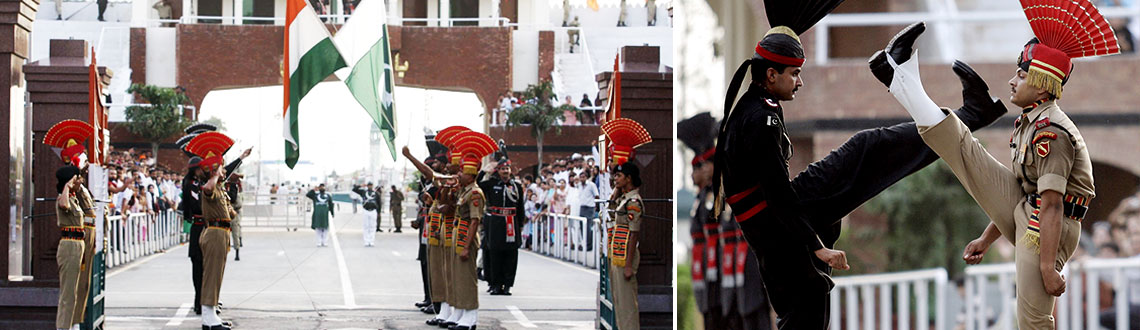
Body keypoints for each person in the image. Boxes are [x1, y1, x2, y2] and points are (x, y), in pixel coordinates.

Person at [713, 1, 1008, 326]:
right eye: (794, 74)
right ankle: (968, 113)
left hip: (781, 226)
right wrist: (817, 246)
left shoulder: (757, 106)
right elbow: (777, 196)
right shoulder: (759, 118)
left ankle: (968, 114)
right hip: (781, 225)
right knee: (870, 149)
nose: (800, 83)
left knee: (872, 149)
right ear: (771, 74)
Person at [872, 4, 1117, 326]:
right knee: (963, 147)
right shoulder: (1029, 122)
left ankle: (902, 79)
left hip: (1046, 229)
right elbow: (1018, 192)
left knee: (1032, 320)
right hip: (1028, 211)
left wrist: (1047, 268)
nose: (1012, 81)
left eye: (1021, 74)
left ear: (1042, 83)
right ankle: (900, 77)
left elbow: (1053, 205)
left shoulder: (1052, 133)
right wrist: (987, 239)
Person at [680, 113, 772, 329]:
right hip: (726, 265)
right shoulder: (712, 195)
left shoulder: (743, 188)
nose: (697, 173)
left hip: (747, 264)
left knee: (751, 317)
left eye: (702, 166)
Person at [178, 124, 248, 319]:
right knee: (200, 268)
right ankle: (202, 302)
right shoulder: (195, 184)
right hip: (202, 227)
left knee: (211, 270)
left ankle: (209, 302)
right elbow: (211, 186)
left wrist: (240, 158)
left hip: (209, 228)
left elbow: (223, 175)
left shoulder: (208, 183)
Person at [405, 126, 467, 328]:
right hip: (441, 233)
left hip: (456, 234)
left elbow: (463, 213)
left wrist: (410, 157)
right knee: (441, 273)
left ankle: (464, 314)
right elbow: (428, 173)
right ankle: (445, 311)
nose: (446, 167)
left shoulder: (461, 185)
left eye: (449, 164)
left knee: (455, 275)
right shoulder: (448, 182)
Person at [600, 118, 652, 330]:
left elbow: (634, 235)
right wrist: (614, 192)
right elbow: (610, 211)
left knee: (628, 307)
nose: (615, 179)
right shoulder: (622, 199)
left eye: (618, 176)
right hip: (617, 255)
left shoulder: (633, 202)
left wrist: (629, 264)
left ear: (629, 178)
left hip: (625, 258)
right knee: (619, 305)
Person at [189, 132, 241, 330]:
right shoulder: (209, 187)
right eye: (221, 166)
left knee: (216, 275)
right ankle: (208, 320)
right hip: (214, 233)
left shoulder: (220, 189)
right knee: (211, 274)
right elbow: (207, 187)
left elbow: (232, 214)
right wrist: (213, 172)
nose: (223, 170)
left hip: (222, 233)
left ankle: (212, 317)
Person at [449, 131, 497, 330]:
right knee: (458, 277)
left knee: (468, 279)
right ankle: (460, 312)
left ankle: (471, 317)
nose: (458, 174)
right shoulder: (465, 190)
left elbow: (475, 221)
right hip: (459, 234)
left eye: (462, 172)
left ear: (470, 174)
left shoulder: (475, 193)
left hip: (467, 237)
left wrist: (467, 246)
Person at [478, 159, 525, 295]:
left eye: (507, 169)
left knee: (511, 254)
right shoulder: (491, 184)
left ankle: (508, 284)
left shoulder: (516, 186)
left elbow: (520, 206)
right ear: (497, 171)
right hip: (495, 223)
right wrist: (484, 172)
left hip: (512, 222)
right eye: (503, 169)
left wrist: (520, 224)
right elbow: (476, 186)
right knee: (494, 253)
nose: (505, 171)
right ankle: (495, 284)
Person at [353, 182, 380, 246]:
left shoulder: (376, 193)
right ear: (367, 186)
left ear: (372, 186)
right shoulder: (363, 192)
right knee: (366, 226)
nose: (370, 186)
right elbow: (354, 189)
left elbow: (379, 203)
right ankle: (366, 241)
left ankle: (371, 241)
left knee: (372, 226)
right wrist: (360, 185)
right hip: (366, 210)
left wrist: (379, 212)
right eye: (368, 185)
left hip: (373, 210)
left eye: (371, 185)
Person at [226, 173, 244, 260]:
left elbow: (232, 197)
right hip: (227, 212)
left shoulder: (234, 186)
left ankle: (237, 251)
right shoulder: (229, 185)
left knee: (235, 233)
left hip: (233, 212)